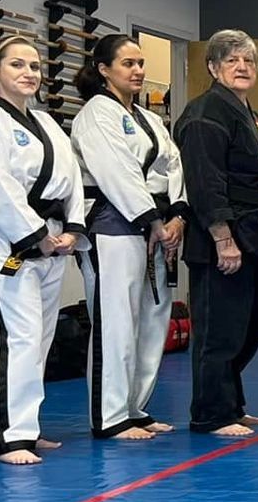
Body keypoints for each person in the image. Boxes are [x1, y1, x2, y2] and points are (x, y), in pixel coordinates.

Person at [0, 35, 87, 464]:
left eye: (34, 66)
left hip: (51, 241)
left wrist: (71, 228)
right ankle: (7, 436)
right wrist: (35, 235)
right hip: (7, 241)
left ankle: (26, 427)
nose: (29, 73)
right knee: (15, 336)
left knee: (40, 339)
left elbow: (70, 179)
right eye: (17, 65)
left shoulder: (48, 123)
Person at [175, 29, 258, 437]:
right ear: (212, 67)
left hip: (255, 233)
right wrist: (224, 237)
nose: (242, 67)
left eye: (248, 61)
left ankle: (232, 403)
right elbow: (205, 182)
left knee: (249, 327)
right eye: (231, 61)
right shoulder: (205, 112)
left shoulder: (246, 112)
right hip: (222, 235)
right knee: (219, 330)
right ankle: (211, 412)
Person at [71, 33, 185, 440]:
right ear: (104, 70)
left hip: (156, 226)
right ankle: (110, 414)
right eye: (128, 64)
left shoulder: (151, 119)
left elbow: (174, 166)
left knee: (151, 320)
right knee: (115, 321)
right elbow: (116, 171)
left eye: (141, 64)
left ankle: (135, 406)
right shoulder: (95, 115)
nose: (138, 71)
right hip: (113, 226)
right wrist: (154, 219)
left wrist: (178, 215)